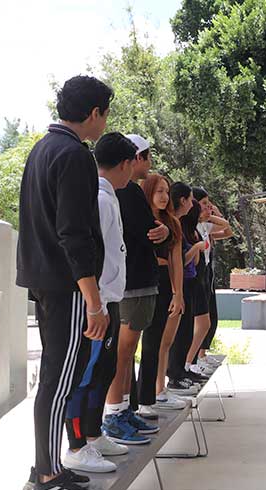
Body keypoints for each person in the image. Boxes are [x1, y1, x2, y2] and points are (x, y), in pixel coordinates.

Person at [17, 75, 112, 490]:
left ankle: (47, 466)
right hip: (66, 284)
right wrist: (93, 300)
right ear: (94, 113)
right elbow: (73, 233)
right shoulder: (74, 155)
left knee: (57, 378)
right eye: (105, 113)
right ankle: (47, 476)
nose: (105, 122)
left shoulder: (43, 148)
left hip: (45, 279)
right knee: (58, 381)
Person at [63, 133, 136, 473]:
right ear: (125, 164)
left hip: (110, 298)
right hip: (101, 301)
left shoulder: (109, 197)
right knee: (86, 374)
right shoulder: (101, 199)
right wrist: (98, 304)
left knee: (103, 371)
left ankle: (94, 434)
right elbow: (92, 256)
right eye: (132, 164)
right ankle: (77, 445)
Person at [101, 133, 165, 441]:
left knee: (128, 353)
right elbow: (146, 232)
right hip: (129, 284)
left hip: (133, 282)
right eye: (146, 157)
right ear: (131, 160)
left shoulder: (122, 192)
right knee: (122, 352)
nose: (149, 165)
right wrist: (162, 232)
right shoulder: (114, 194)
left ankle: (124, 408)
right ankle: (114, 413)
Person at [140, 173, 188, 411]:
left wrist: (178, 293)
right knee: (141, 344)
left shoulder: (173, 222)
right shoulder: (139, 217)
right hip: (139, 282)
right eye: (159, 191)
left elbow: (176, 261)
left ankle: (156, 391)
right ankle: (139, 398)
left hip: (163, 283)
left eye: (167, 192)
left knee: (159, 341)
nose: (164, 196)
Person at [167, 186, 211, 390]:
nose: (197, 206)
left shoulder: (185, 228)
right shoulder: (176, 226)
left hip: (192, 282)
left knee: (185, 331)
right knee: (176, 334)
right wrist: (196, 248)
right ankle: (175, 373)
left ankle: (183, 368)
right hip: (182, 284)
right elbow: (180, 260)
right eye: (193, 201)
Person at [194, 193, 234, 370]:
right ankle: (194, 359)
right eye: (204, 203)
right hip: (197, 273)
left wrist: (214, 213)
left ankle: (201, 354)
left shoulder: (205, 226)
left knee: (211, 316)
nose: (208, 206)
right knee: (200, 319)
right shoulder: (194, 227)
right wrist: (209, 214)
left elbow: (227, 230)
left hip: (207, 272)